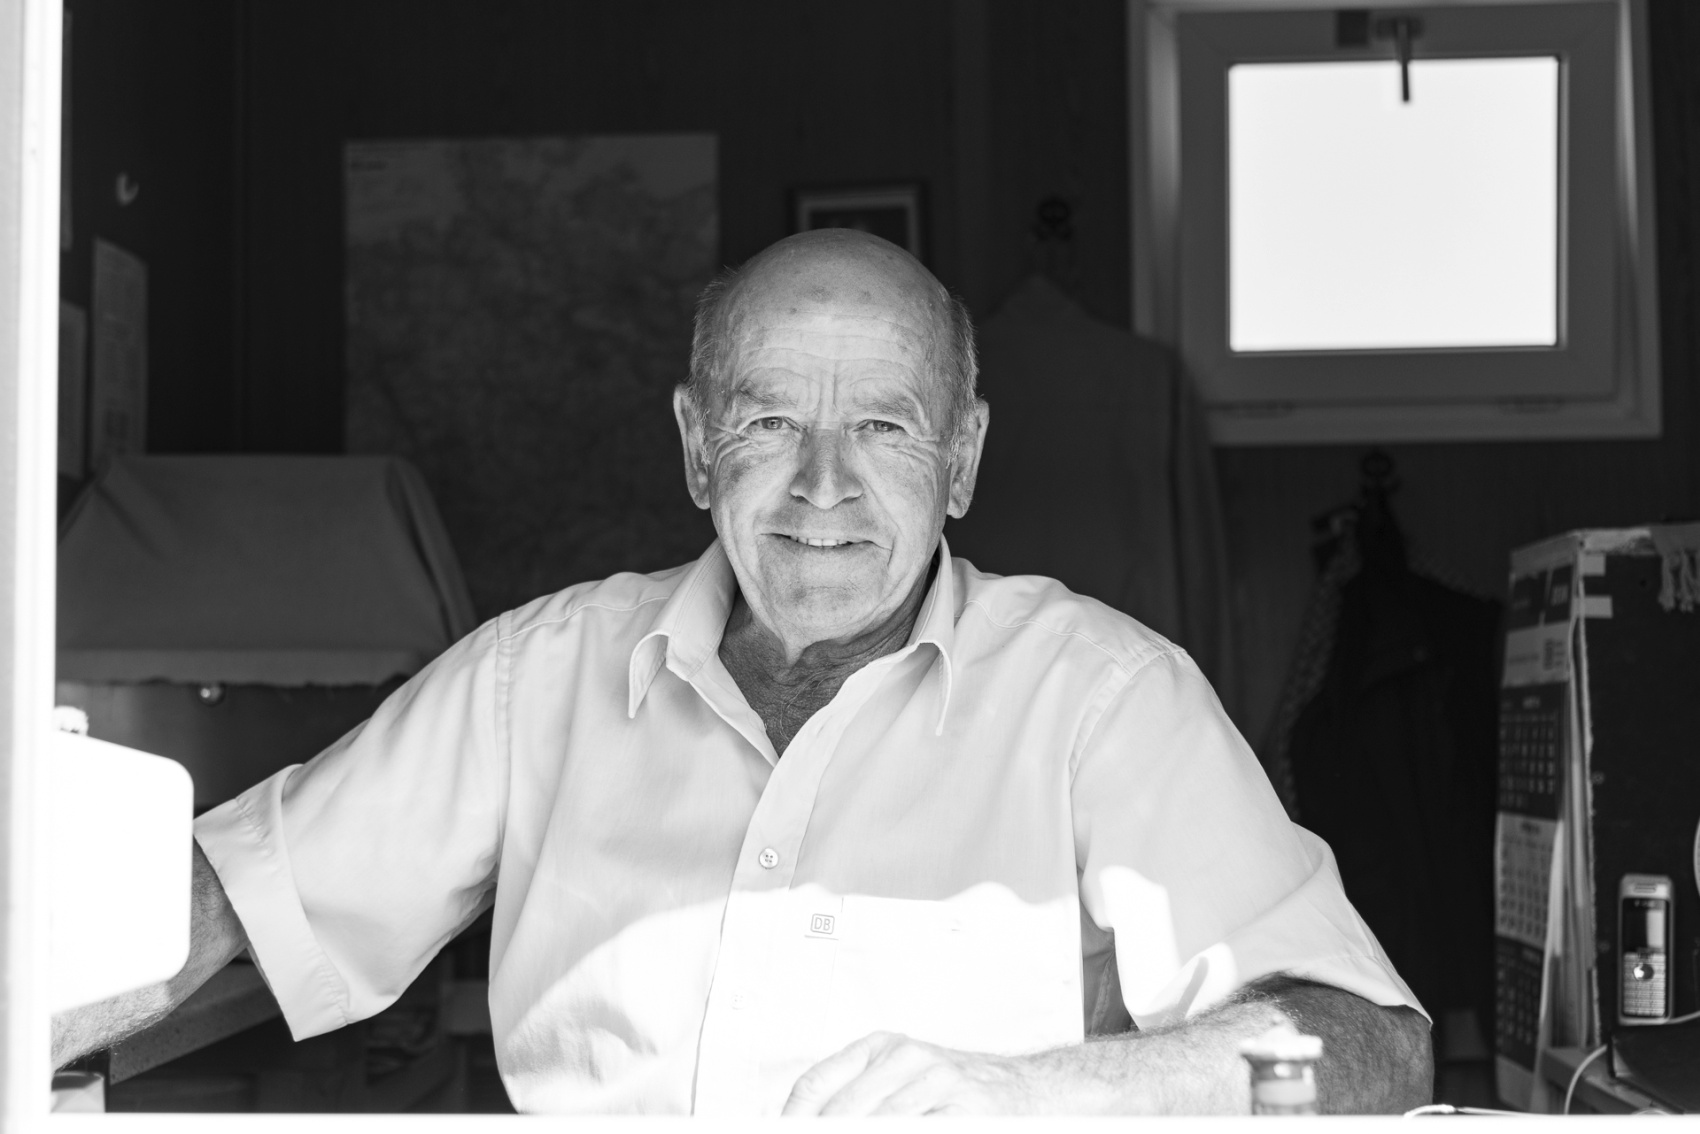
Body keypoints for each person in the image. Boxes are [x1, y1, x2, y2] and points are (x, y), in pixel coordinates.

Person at [53, 230, 1432, 1115]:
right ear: (696, 448)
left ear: (960, 460)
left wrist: (1032, 1097)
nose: (824, 485)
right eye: (770, 421)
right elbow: (230, 904)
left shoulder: (1105, 697)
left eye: (884, 427)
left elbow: (1365, 1048)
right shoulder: (540, 677)